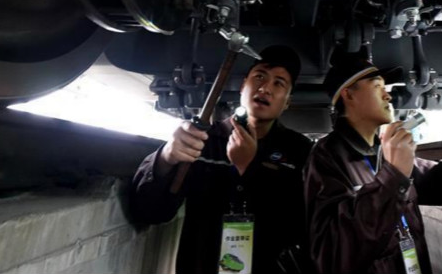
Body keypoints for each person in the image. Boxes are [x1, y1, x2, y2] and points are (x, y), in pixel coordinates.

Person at [304, 53, 442, 274]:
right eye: (377, 86)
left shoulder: (384, 152)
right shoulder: (326, 157)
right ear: (348, 94)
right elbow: (334, 254)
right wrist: (393, 175)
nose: (387, 95)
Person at [131, 45, 313, 274]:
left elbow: (300, 227)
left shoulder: (300, 151)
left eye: (279, 83)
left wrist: (249, 167)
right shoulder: (201, 141)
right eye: (259, 77)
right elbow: (151, 211)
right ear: (243, 87)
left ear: (287, 102)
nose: (266, 87)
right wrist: (166, 158)